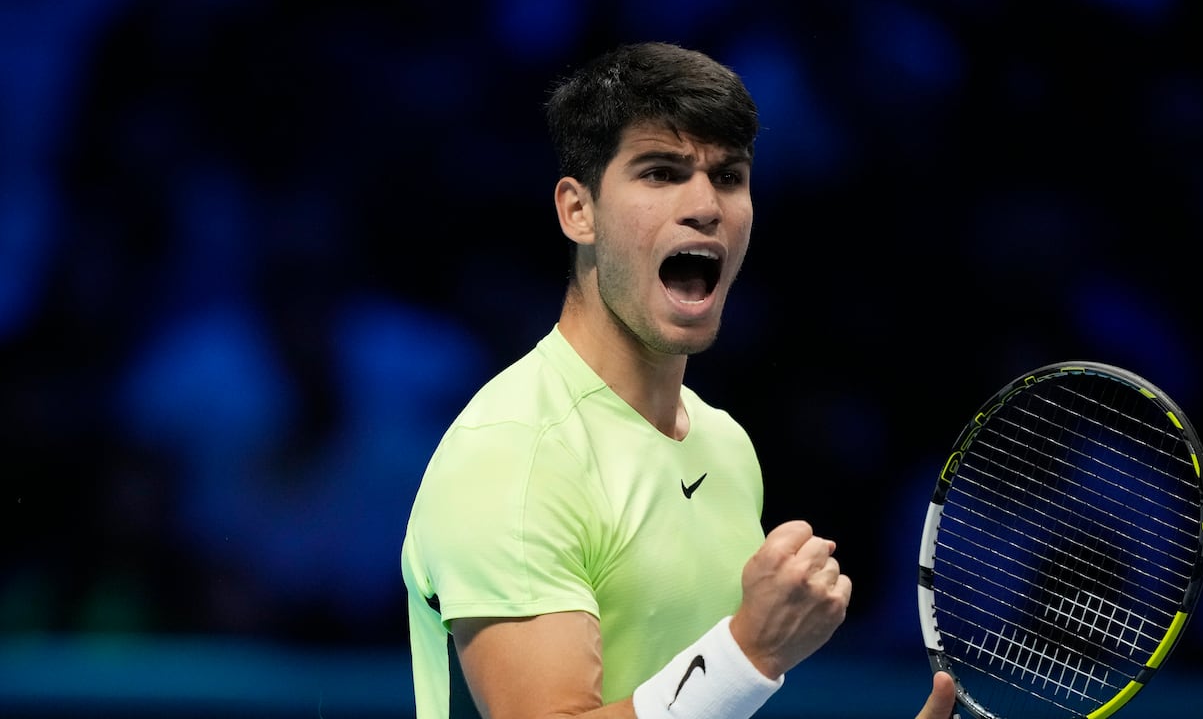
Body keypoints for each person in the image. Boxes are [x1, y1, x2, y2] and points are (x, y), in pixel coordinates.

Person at [401, 41, 957, 719]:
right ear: (579, 212)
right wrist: (746, 651)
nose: (705, 205)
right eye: (661, 173)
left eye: (729, 177)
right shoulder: (515, 455)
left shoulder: (726, 447)